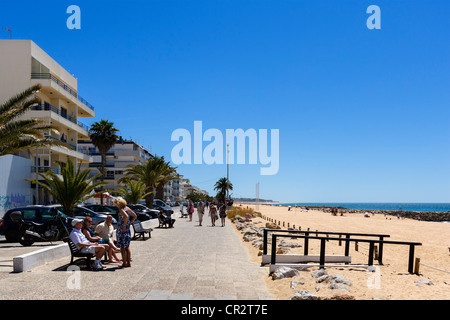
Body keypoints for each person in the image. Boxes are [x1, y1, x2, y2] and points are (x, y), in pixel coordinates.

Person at [113, 197, 137, 268]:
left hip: (122, 229)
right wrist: (129, 223)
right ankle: (128, 263)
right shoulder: (128, 208)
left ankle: (124, 263)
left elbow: (126, 216)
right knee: (127, 247)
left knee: (122, 248)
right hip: (127, 229)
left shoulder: (121, 209)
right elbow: (135, 216)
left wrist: (124, 225)